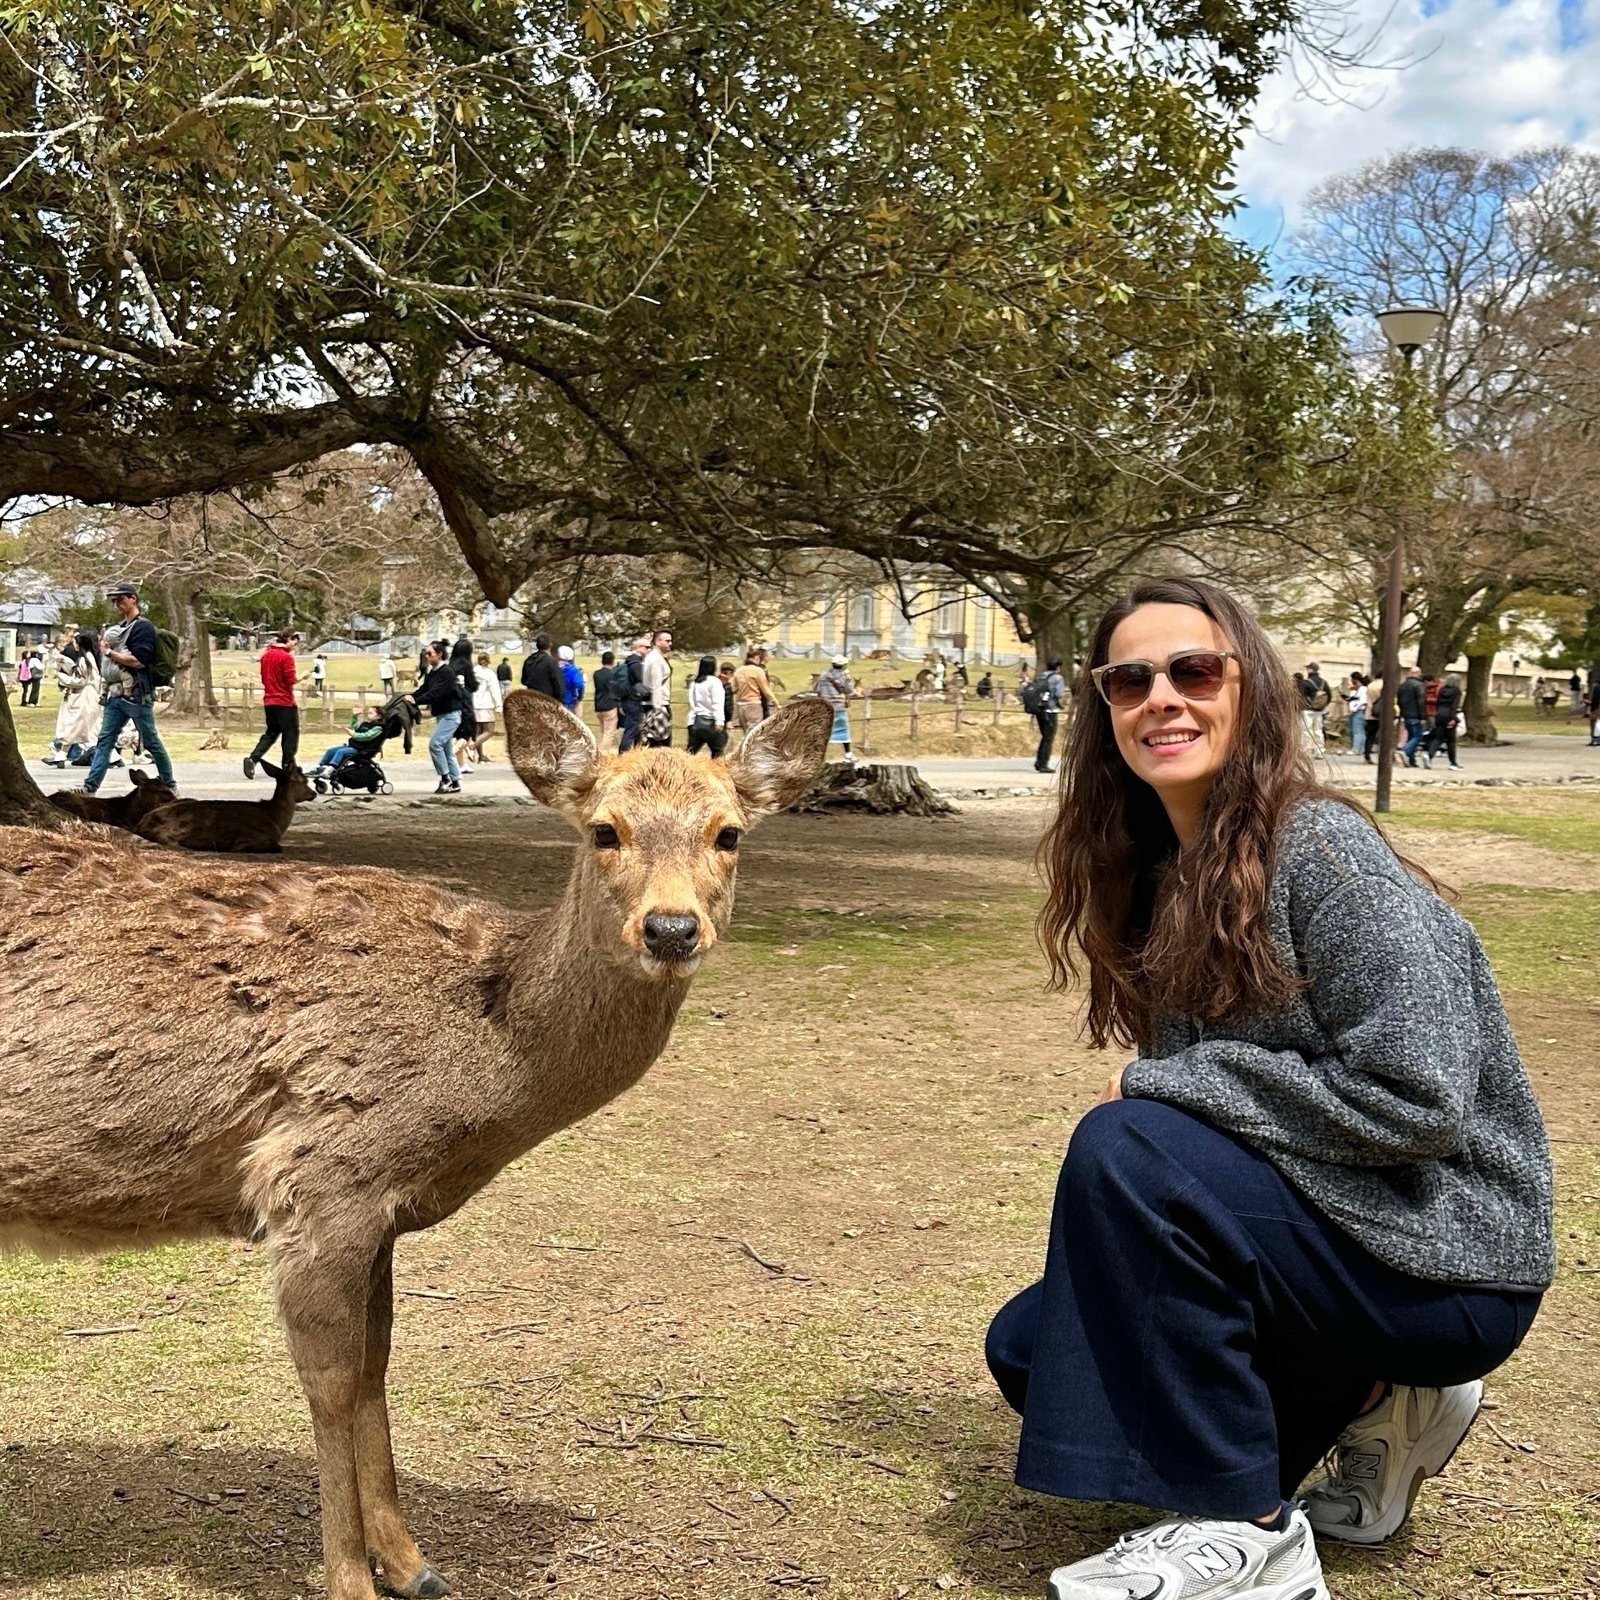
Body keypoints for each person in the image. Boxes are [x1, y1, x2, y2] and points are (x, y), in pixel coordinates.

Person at [986, 576, 1551, 1600]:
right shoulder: (1161, 873)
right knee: (1041, 1350)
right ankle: (1381, 1401)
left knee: (1130, 1142)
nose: (1161, 698)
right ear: (1103, 708)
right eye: (1128, 680)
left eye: (1194, 670)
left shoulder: (1323, 852)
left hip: (1445, 1258)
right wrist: (1179, 1095)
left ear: (1250, 689)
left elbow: (1419, 1097)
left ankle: (1247, 1536)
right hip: (1340, 1240)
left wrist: (1171, 1083)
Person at [80, 583, 177, 795]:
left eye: (122, 599)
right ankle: (90, 787)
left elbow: (139, 661)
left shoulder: (142, 628)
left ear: (133, 599)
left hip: (136, 693)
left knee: (150, 741)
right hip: (114, 694)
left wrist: (110, 653)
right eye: (115, 600)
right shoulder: (120, 628)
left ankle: (170, 785)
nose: (118, 603)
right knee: (105, 741)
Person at [405, 640, 466, 794]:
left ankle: (445, 779)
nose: (426, 656)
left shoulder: (447, 673)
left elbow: (436, 693)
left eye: (429, 653)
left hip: (451, 715)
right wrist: (412, 696)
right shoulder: (433, 672)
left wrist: (417, 701)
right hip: (442, 714)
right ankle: (455, 781)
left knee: (435, 744)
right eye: (425, 653)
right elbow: (425, 689)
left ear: (439, 654)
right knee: (446, 749)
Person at [244, 629, 301, 779]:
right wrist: (302, 677)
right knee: (290, 734)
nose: (294, 645)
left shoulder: (266, 655)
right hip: (285, 702)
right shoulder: (286, 657)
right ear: (289, 639)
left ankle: (253, 758)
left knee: (271, 733)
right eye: (294, 641)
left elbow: (264, 677)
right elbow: (290, 680)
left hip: (269, 700)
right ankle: (288, 764)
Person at [47, 629, 102, 766]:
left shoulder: (84, 659)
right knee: (88, 727)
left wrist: (61, 676)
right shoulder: (91, 657)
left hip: (83, 697)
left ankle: (61, 755)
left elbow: (79, 680)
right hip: (89, 695)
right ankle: (62, 755)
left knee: (75, 725)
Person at [685, 654, 728, 757]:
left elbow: (692, 702)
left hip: (696, 721)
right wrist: (719, 720)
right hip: (711, 721)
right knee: (717, 753)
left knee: (690, 753)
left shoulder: (695, 683)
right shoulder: (715, 682)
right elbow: (717, 702)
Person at [1419, 673, 1464, 769]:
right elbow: (1454, 706)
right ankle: (1453, 763)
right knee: (1451, 741)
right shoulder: (1457, 691)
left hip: (1439, 715)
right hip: (1449, 715)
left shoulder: (1442, 690)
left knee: (1438, 738)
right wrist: (1453, 718)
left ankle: (1429, 755)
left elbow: (1438, 703)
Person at [816, 654, 856, 760]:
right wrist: (849, 680)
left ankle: (818, 755)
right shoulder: (843, 676)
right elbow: (849, 690)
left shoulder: (823, 675)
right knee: (843, 729)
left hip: (825, 706)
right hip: (838, 706)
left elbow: (817, 689)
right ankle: (848, 754)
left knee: (823, 730)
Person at [1032, 656, 1067, 773]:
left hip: (1039, 710)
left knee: (1044, 737)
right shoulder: (1057, 678)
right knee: (1048, 738)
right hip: (1050, 710)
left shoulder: (1041, 676)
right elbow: (1059, 694)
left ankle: (1039, 761)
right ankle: (1043, 764)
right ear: (1058, 667)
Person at [617, 635, 650, 753]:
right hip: (634, 700)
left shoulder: (628, 662)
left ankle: (635, 752)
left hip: (627, 699)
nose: (649, 650)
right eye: (647, 647)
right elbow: (641, 681)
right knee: (631, 730)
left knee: (636, 730)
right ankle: (622, 755)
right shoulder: (636, 664)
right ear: (639, 647)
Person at [641, 629, 673, 747]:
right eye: (667, 641)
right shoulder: (656, 659)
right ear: (658, 641)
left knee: (655, 740)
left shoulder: (654, 657)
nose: (670, 643)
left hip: (654, 703)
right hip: (658, 704)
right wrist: (658, 709)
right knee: (660, 741)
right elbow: (656, 685)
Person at [469, 651, 503, 762]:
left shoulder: (472, 672)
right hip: (486, 704)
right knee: (489, 731)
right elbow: (495, 691)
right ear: (488, 661)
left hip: (474, 704)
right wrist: (499, 706)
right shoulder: (489, 674)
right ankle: (472, 746)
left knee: (478, 731)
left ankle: (480, 756)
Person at [1397, 665, 1428, 767]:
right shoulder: (1419, 685)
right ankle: (1405, 751)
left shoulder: (1402, 685)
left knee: (1411, 736)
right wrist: (1423, 717)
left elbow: (1399, 700)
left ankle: (1411, 760)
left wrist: (1402, 713)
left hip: (1406, 714)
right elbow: (1421, 701)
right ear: (1418, 673)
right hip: (1416, 715)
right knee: (1416, 737)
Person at [593, 650, 622, 754]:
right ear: (612, 661)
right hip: (609, 705)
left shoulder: (597, 674)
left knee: (603, 732)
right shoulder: (613, 675)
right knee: (609, 733)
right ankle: (602, 753)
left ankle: (599, 750)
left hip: (599, 705)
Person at [520, 633, 563, 701]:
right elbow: (558, 685)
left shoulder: (528, 660)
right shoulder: (551, 662)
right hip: (547, 700)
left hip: (531, 699)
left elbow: (523, 681)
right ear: (550, 644)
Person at [1299, 660, 1329, 754]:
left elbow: (1301, 696)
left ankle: (1306, 750)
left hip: (1307, 710)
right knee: (1318, 730)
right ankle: (1320, 750)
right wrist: (1322, 706)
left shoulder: (1305, 682)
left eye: (1308, 668)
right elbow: (1329, 696)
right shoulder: (1324, 682)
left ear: (1310, 670)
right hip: (1319, 710)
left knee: (1306, 730)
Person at [1344, 672, 1368, 759]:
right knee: (1353, 730)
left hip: (1359, 710)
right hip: (1353, 711)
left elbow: (1362, 701)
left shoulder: (1363, 689)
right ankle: (1358, 748)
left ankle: (1356, 749)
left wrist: (1354, 708)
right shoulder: (1354, 690)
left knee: (1357, 731)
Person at [557, 644, 585, 711]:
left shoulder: (554, 667)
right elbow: (579, 684)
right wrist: (579, 698)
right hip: (569, 701)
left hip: (555, 700)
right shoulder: (573, 670)